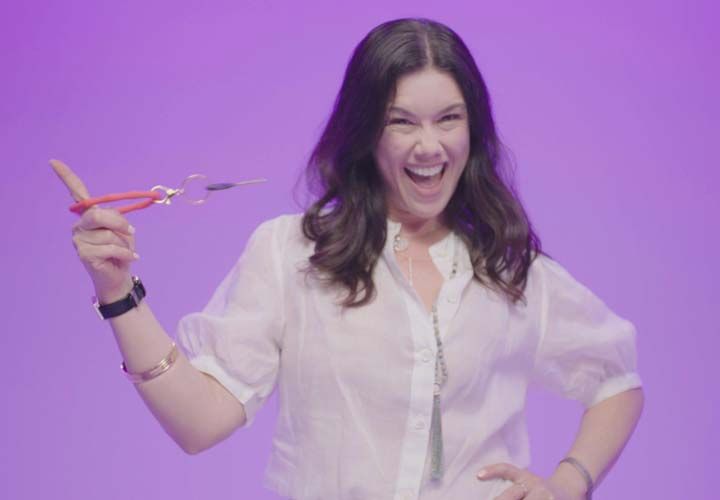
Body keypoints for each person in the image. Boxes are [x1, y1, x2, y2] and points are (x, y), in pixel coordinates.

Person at [52, 17, 643, 500]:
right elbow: (198, 423)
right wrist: (117, 292)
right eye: (401, 122)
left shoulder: (512, 272)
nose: (429, 146)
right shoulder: (292, 256)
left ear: (474, 129)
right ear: (365, 134)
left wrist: (570, 483)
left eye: (449, 119)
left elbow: (617, 380)